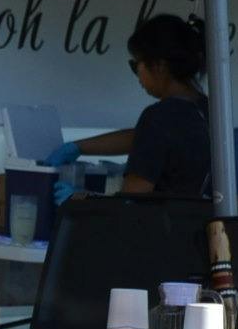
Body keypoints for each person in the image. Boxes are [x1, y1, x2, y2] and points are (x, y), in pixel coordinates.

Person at [44, 15, 211, 202]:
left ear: (159, 66)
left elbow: (131, 204)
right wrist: (78, 147)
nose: (137, 74)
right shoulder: (207, 110)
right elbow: (147, 139)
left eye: (135, 64)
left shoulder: (158, 118)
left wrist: (79, 200)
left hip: (165, 221)